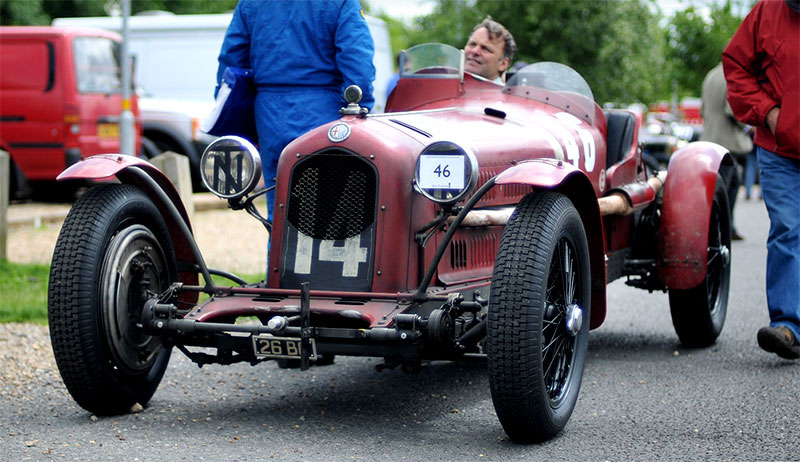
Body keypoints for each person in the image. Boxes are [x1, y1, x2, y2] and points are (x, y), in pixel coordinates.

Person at [215, 0, 376, 223]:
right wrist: (360, 111)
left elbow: (231, 62)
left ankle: (278, 256)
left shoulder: (250, 4)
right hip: (325, 113)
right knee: (333, 210)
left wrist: (241, 117)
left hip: (269, 114)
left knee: (279, 212)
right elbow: (358, 63)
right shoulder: (341, 2)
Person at [722, 0, 800, 360]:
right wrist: (768, 113)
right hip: (779, 146)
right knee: (787, 228)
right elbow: (736, 64)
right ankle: (788, 326)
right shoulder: (766, 12)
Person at [699, 62, 752, 241]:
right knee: (726, 185)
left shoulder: (711, 75)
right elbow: (734, 111)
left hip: (709, 136)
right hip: (726, 139)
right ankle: (720, 227)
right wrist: (749, 126)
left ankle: (726, 225)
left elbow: (702, 109)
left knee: (727, 182)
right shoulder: (733, 76)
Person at [463, 16, 516, 83]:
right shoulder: (449, 85)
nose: (475, 51)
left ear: (503, 63)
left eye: (485, 48)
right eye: (472, 44)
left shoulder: (505, 93)